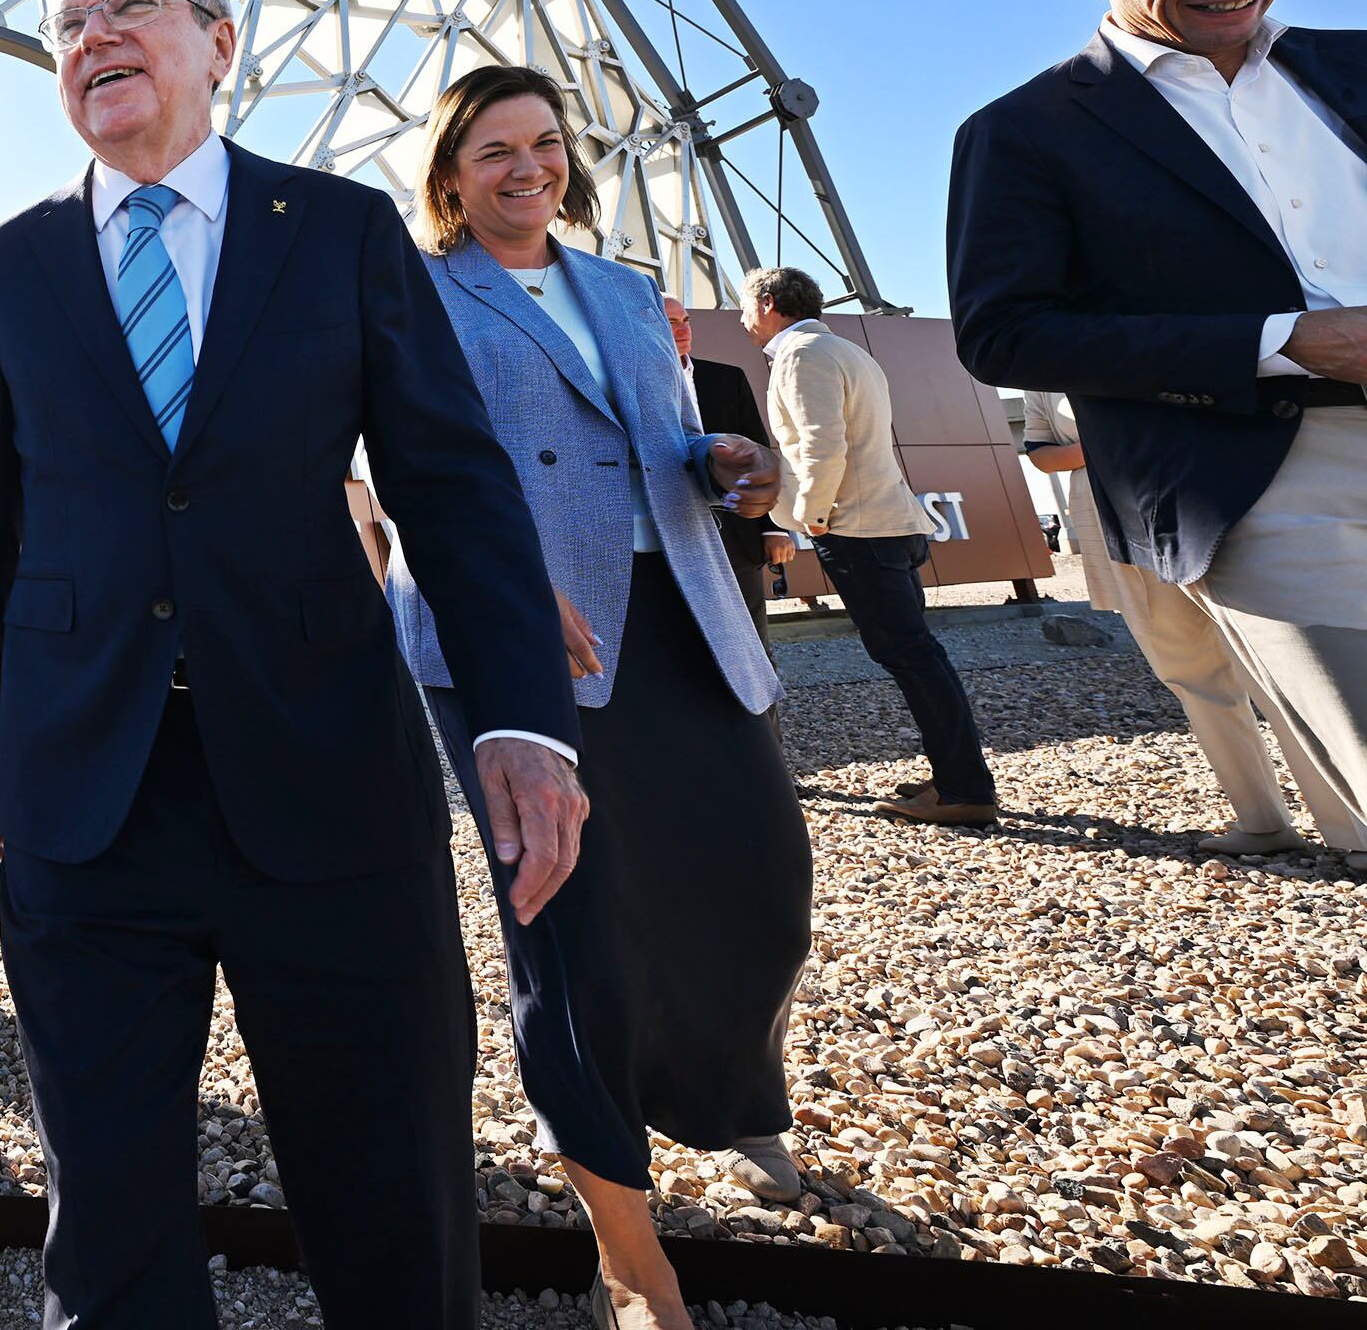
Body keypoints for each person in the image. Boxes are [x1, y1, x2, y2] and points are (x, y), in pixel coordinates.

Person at [0, 0, 586, 1329]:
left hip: (326, 773)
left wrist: (525, 718)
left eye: (133, 7)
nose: (94, 37)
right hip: (84, 791)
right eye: (68, 24)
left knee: (392, 1192)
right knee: (107, 1224)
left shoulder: (338, 230)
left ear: (219, 43)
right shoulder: (11, 262)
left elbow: (451, 487)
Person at [391, 68, 809, 1330]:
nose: (530, 167)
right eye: (496, 148)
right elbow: (402, 460)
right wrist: (505, 592)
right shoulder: (408, 291)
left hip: (680, 610)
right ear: (450, 171)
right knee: (572, 926)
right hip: (520, 640)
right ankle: (627, 1243)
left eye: (548, 143)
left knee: (757, 871)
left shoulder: (627, 290)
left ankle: (726, 1092)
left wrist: (730, 459)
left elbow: (663, 432)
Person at [950, 0, 1367, 868]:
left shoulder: (1355, 68)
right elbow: (1005, 330)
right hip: (1262, 476)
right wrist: (1284, 342)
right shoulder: (1026, 131)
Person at [1022, 389, 1349, 854]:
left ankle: (1350, 825)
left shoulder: (1155, 326)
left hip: (1206, 503)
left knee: (1280, 665)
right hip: (1115, 523)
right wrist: (1108, 444)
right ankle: (1261, 821)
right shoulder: (1042, 368)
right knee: (1191, 673)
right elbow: (1041, 454)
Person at [744, 267, 1001, 826]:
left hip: (857, 528)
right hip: (894, 521)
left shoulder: (801, 356)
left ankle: (964, 789)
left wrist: (810, 517)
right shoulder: (849, 351)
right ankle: (956, 776)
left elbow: (821, 442)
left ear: (767, 303)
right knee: (918, 655)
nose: (743, 319)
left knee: (912, 658)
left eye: (745, 306)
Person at [665, 294, 798, 638]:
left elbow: (758, 449)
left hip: (737, 529)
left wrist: (774, 528)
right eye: (671, 322)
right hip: (673, 526)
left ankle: (761, 693)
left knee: (750, 636)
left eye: (686, 321)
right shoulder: (628, 385)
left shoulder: (727, 379)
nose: (682, 330)